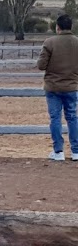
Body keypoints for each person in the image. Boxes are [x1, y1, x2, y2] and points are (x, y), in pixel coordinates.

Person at [37, 14, 78, 161]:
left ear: (57, 27)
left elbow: (41, 65)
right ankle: (76, 151)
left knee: (55, 118)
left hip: (53, 87)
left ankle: (58, 151)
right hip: (72, 87)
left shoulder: (49, 42)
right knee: (72, 117)